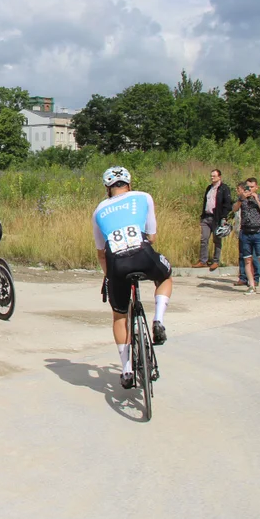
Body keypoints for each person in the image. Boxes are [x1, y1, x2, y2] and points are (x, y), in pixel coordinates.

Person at [93, 166, 173, 390]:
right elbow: (153, 237)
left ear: (107, 188)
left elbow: (101, 253)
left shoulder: (98, 210)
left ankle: (127, 369)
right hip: (143, 255)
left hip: (116, 263)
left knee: (120, 316)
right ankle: (158, 319)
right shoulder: (143, 197)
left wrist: (109, 277)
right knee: (166, 277)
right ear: (129, 183)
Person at [234, 177, 260, 297]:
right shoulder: (242, 198)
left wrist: (257, 200)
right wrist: (242, 199)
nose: (249, 189)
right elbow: (234, 209)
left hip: (258, 232)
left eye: (252, 187)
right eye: (248, 187)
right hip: (245, 232)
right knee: (247, 260)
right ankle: (251, 285)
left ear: (256, 187)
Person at [197, 169, 232, 270]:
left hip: (217, 218)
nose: (212, 178)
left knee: (217, 239)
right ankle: (203, 260)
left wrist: (224, 217)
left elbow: (227, 204)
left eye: (214, 176)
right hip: (206, 217)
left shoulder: (224, 189)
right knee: (204, 239)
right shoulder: (209, 188)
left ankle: (216, 261)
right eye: (211, 176)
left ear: (219, 177)